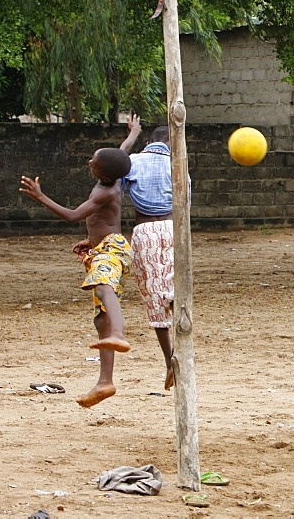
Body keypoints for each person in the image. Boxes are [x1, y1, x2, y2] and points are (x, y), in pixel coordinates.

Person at [20, 147, 133, 408]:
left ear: (103, 173)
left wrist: (40, 197)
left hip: (111, 250)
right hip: (102, 247)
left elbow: (72, 216)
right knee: (100, 319)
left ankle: (119, 333)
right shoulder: (112, 178)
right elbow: (122, 152)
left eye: (93, 162)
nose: (88, 162)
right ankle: (105, 381)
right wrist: (133, 133)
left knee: (104, 287)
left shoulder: (105, 190)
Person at [119, 114, 182, 389]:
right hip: (173, 230)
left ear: (149, 141)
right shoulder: (178, 164)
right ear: (171, 143)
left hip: (145, 232)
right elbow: (185, 203)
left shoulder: (133, 162)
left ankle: (170, 360)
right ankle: (182, 354)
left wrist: (130, 137)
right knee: (178, 295)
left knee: (155, 302)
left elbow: (114, 168)